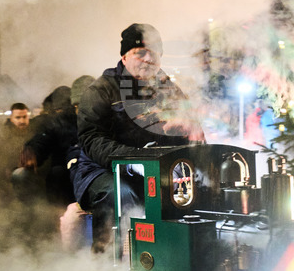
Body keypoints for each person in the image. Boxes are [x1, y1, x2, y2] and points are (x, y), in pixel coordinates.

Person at [71, 23, 204, 250]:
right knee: (121, 195)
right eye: (140, 52)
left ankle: (178, 260)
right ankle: (108, 268)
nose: (147, 59)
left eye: (154, 53)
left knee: (194, 190)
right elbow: (92, 140)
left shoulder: (170, 91)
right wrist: (137, 159)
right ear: (124, 57)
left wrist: (195, 148)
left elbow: (191, 130)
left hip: (157, 168)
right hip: (101, 169)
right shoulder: (100, 90)